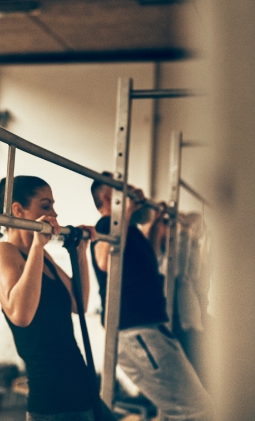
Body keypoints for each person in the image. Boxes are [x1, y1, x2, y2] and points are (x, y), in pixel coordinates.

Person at [90, 172, 212, 420]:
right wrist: (124, 211)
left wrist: (157, 221)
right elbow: (104, 261)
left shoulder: (131, 231)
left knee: (177, 409)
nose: (133, 193)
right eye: (124, 190)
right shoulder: (106, 225)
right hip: (137, 332)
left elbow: (151, 257)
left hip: (150, 330)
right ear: (107, 197)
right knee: (197, 409)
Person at [0, 176, 96, 421]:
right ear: (18, 210)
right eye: (46, 206)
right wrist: (37, 247)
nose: (54, 213)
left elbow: (80, 304)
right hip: (52, 400)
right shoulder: (3, 252)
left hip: (82, 391)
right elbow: (21, 315)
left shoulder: (44, 257)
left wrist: (80, 252)